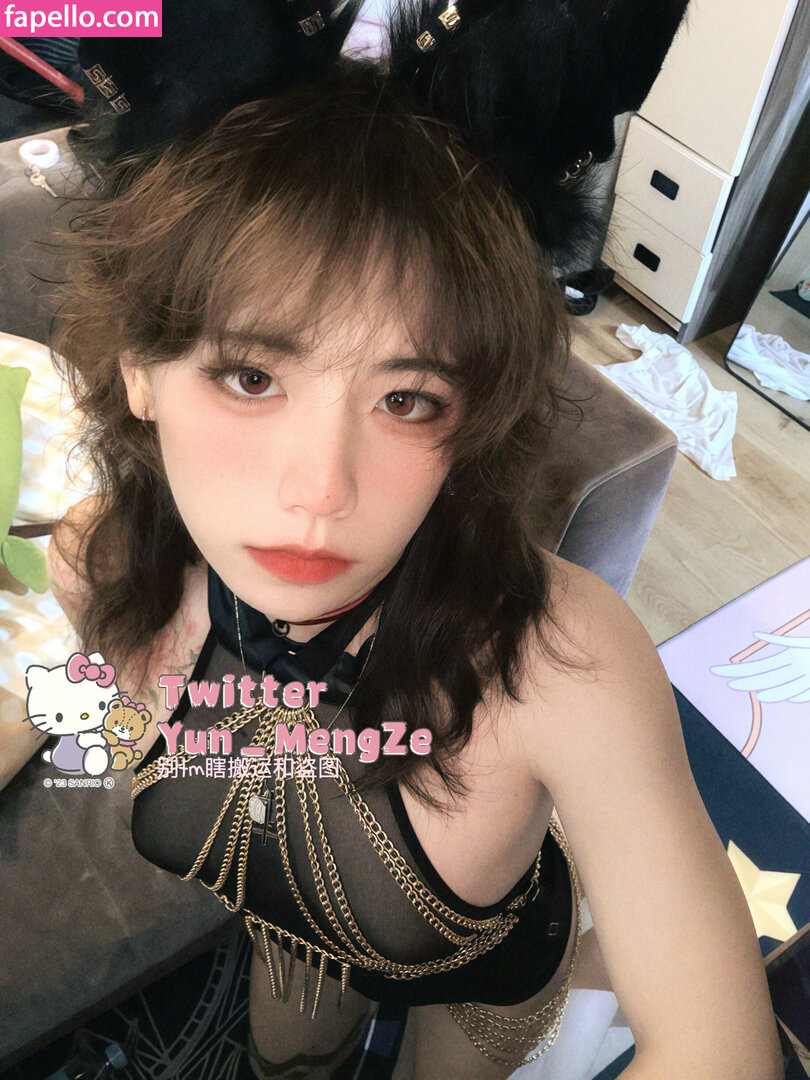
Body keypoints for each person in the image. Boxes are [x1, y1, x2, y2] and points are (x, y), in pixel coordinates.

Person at [42, 58, 782, 1080]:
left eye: (406, 400)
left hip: (487, 975)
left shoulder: (561, 658)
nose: (321, 489)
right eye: (250, 376)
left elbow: (719, 1051)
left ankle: (585, 961)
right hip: (296, 941)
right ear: (139, 371)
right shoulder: (100, 565)